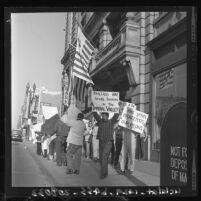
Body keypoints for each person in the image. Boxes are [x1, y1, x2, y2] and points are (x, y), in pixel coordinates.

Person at [93, 111, 119, 179]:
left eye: (104, 115)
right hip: (101, 142)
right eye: (102, 116)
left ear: (107, 116)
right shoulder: (100, 121)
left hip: (108, 142)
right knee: (102, 159)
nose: (103, 117)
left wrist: (117, 107)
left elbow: (116, 115)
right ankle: (105, 172)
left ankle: (103, 174)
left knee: (104, 156)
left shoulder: (111, 121)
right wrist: (94, 106)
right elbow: (95, 114)